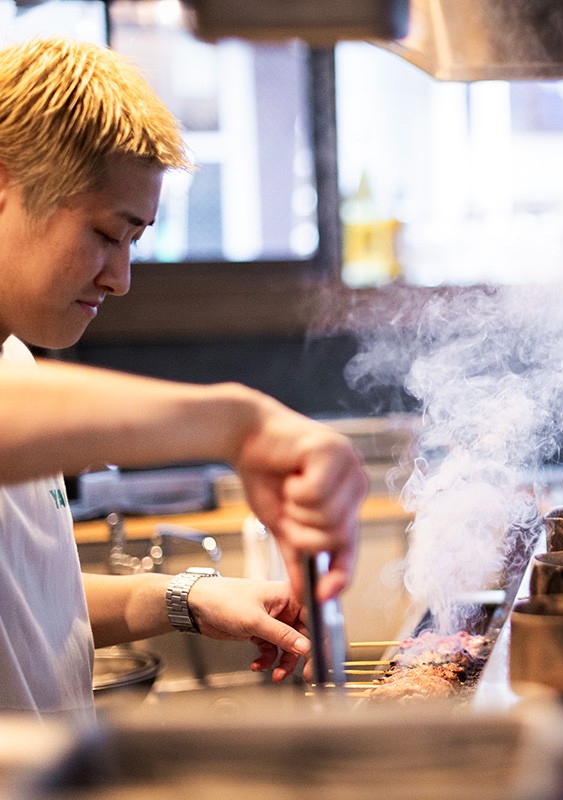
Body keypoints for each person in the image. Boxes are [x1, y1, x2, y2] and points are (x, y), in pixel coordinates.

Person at [0, 36, 369, 721]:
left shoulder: (15, 362)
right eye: (109, 234)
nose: (120, 277)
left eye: (135, 243)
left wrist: (187, 598)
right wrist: (241, 423)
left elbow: (33, 598)